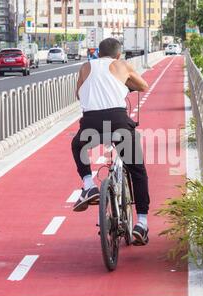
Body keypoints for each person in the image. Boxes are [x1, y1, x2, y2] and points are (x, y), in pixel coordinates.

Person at [71, 38, 151, 246]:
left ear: (98, 53)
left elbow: (79, 95)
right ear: (118, 54)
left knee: (77, 144)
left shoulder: (86, 66)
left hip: (91, 122)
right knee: (137, 170)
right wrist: (125, 85)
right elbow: (143, 85)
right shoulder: (122, 65)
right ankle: (142, 222)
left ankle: (89, 185)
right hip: (117, 120)